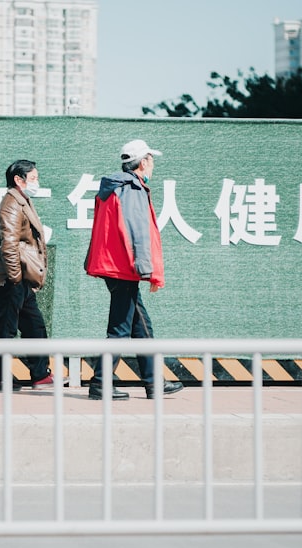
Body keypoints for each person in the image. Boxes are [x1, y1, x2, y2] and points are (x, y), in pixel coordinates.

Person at [83, 139, 184, 401]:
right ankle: (100, 384)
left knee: (140, 325)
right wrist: (147, 271)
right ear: (143, 162)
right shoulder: (132, 188)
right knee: (119, 329)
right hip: (124, 268)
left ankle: (153, 382)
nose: (153, 165)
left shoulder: (113, 187)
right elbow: (138, 233)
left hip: (113, 265)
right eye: (151, 159)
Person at [0, 159, 55, 391]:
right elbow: (9, 244)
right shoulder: (12, 203)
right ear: (18, 180)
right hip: (14, 278)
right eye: (33, 178)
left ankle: (40, 375)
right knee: (6, 329)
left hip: (21, 278)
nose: (37, 182)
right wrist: (14, 278)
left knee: (34, 326)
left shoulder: (22, 201)